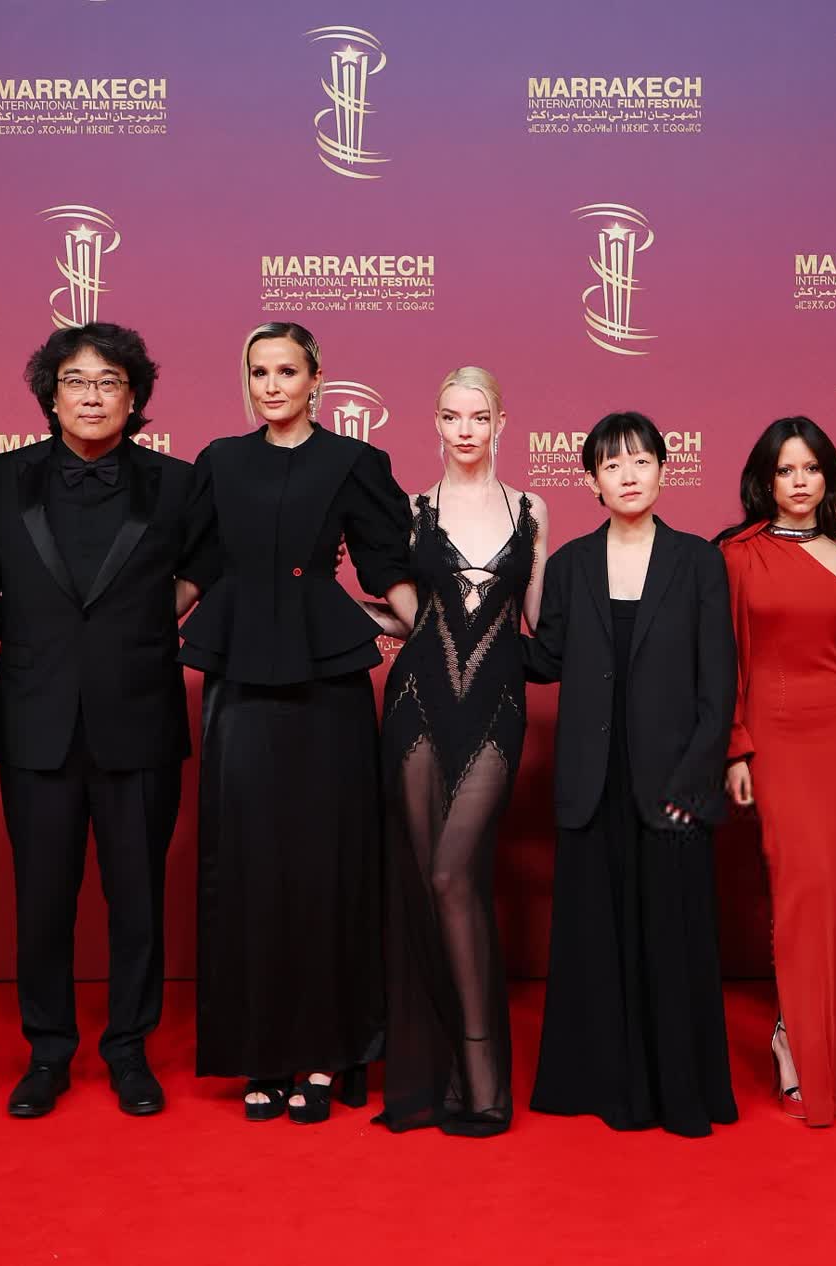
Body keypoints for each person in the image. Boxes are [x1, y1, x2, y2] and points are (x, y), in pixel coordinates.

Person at [180, 321, 416, 1124]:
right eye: (259, 372)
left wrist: (431, 630)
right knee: (246, 863)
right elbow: (196, 570)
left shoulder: (354, 461)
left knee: (325, 862)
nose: (272, 385)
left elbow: (386, 564)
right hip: (240, 678)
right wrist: (121, 636)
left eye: (286, 371)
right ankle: (262, 1052)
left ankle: (323, 1050)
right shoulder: (220, 461)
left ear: (318, 377)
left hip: (327, 688)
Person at [0, 323, 195, 1118]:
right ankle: (48, 1050)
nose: (92, 396)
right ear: (50, 395)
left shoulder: (178, 482)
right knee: (42, 899)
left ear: (134, 397)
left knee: (138, 899)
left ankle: (129, 1048)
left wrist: (146, 624)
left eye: (109, 382)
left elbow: (209, 567)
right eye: (76, 381)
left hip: (139, 716)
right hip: (35, 718)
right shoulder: (0, 478)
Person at [524, 411, 738, 1138]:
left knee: (671, 942)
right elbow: (545, 659)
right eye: (611, 465)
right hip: (592, 785)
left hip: (671, 787)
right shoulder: (570, 565)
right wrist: (462, 624)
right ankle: (597, 1084)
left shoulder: (698, 561)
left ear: (663, 470)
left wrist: (693, 784)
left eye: (641, 461)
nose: (628, 475)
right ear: (591, 480)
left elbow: (719, 685)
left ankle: (677, 1093)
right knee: (595, 942)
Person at [365, 367, 547, 1137]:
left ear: (502, 422)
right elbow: (410, 612)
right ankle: (446, 1079)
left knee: (452, 874)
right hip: (416, 701)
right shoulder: (413, 510)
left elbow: (538, 619)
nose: (465, 430)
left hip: (498, 705)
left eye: (478, 416)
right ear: (435, 423)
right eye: (451, 416)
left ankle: (486, 1084)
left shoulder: (532, 509)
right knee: (425, 882)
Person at [719, 417, 836, 1127]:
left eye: (811, 468)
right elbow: (728, 660)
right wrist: (736, 748)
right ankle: (793, 1036)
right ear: (766, 479)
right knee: (801, 889)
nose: (799, 481)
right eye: (786, 469)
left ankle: (814, 1039)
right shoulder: (735, 555)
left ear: (828, 478)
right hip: (776, 736)